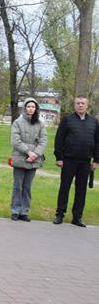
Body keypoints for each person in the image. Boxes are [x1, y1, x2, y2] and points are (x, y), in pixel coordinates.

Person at [53, 95, 99, 227]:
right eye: (78, 103)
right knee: (64, 187)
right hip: (69, 160)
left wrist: (96, 160)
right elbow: (59, 139)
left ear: (87, 105)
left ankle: (77, 217)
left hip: (85, 162)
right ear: (74, 105)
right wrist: (59, 157)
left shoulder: (94, 122)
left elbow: (97, 142)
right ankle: (60, 214)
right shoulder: (67, 120)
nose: (80, 105)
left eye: (83, 103)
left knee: (81, 190)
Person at [10, 98, 47, 221]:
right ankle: (15, 211)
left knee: (27, 187)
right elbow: (15, 140)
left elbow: (43, 140)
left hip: (34, 160)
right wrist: (28, 152)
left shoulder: (40, 123)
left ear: (36, 109)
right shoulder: (17, 122)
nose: (31, 109)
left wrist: (36, 154)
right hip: (20, 158)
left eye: (33, 107)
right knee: (18, 186)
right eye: (29, 106)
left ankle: (24, 211)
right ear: (25, 108)